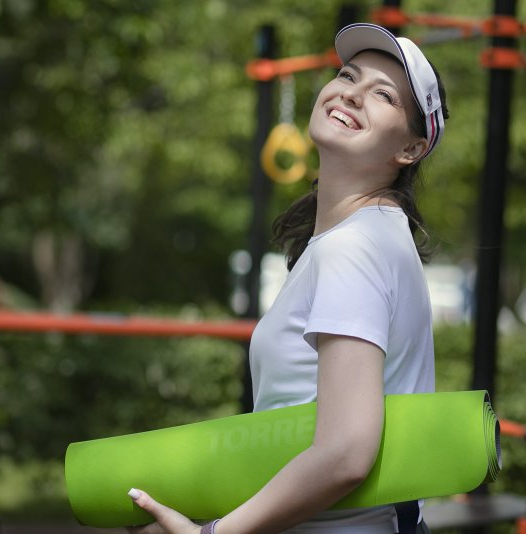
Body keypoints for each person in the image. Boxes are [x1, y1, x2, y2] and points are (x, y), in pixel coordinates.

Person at [125, 22, 449, 534]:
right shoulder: (376, 234)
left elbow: (345, 452)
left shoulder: (354, 248)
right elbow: (297, 430)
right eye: (349, 75)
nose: (352, 93)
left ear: (410, 149)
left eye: (383, 94)